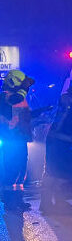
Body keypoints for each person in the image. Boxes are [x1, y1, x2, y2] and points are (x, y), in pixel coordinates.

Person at [0, 69, 35, 209]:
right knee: (12, 171)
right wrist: (23, 90)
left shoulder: (16, 97)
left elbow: (22, 117)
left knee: (20, 171)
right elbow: (14, 101)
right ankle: (10, 202)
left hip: (19, 139)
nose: (24, 88)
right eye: (22, 85)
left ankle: (17, 200)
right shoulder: (6, 96)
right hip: (12, 140)